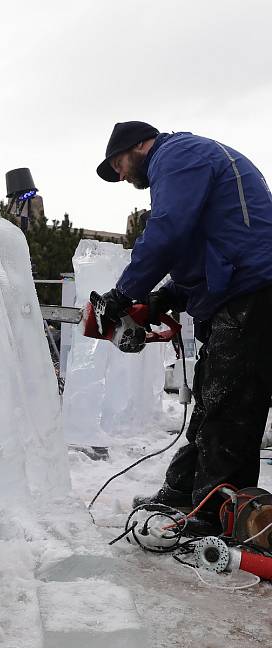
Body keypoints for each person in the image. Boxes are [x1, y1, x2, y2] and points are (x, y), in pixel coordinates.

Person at [95, 121, 272, 533]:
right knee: (213, 400)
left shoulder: (178, 156)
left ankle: (214, 511)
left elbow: (169, 231)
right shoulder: (186, 162)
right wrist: (168, 295)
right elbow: (210, 242)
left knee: (230, 408)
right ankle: (185, 490)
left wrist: (125, 292)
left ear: (141, 144)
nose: (120, 175)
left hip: (253, 291)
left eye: (118, 163)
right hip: (235, 289)